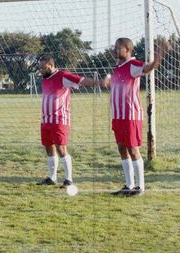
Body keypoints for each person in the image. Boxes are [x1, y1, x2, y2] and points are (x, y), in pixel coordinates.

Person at [105, 37, 170, 196]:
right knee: (122, 148)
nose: (115, 50)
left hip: (130, 115)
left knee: (133, 149)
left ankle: (140, 187)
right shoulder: (118, 67)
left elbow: (150, 67)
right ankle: (128, 185)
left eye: (119, 47)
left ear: (127, 50)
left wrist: (160, 52)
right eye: (115, 47)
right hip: (118, 116)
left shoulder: (132, 65)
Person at [36, 55, 103, 187]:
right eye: (40, 68)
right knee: (49, 149)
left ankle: (68, 179)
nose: (41, 70)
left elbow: (81, 81)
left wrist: (99, 83)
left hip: (59, 120)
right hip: (45, 120)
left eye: (43, 68)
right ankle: (52, 177)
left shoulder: (63, 76)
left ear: (51, 65)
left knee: (61, 149)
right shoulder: (45, 79)